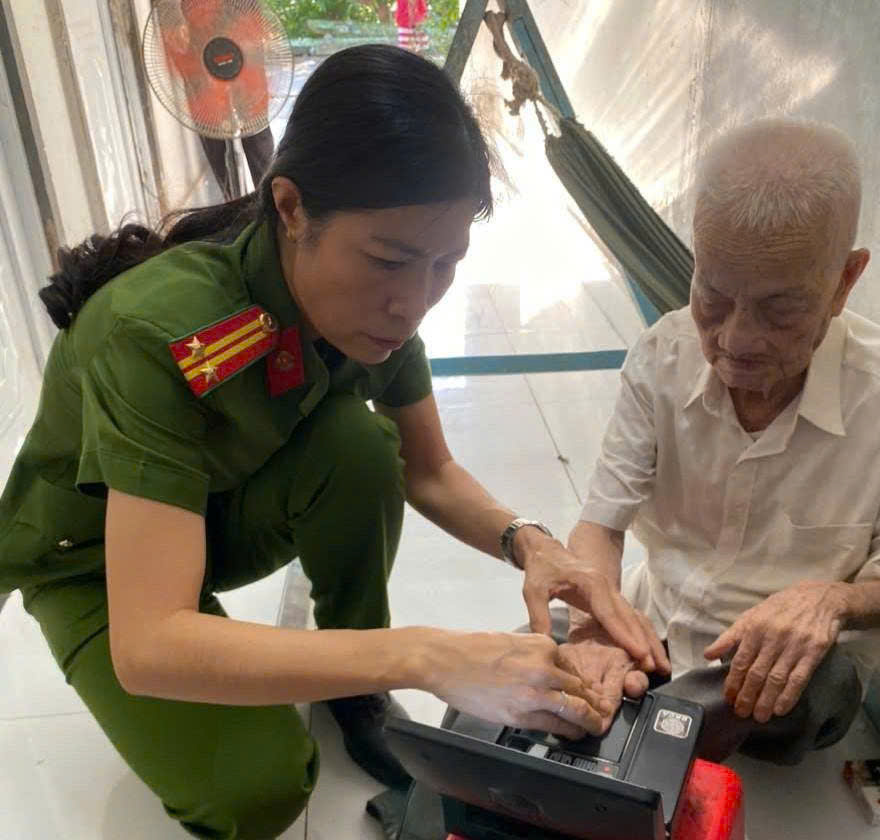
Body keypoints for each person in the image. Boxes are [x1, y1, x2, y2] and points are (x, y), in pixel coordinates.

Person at [0, 46, 664, 840]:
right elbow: (149, 644)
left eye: (445, 265)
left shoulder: (372, 310)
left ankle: (354, 691)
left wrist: (533, 545)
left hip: (209, 513)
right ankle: (362, 666)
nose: (414, 302)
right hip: (96, 565)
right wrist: (424, 655)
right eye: (389, 260)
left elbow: (431, 470)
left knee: (359, 443)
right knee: (258, 788)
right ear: (289, 207)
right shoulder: (158, 334)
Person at [561, 117, 880, 745]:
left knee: (772, 703)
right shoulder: (663, 355)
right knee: (521, 691)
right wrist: (594, 627)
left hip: (788, 665)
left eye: (781, 309)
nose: (737, 339)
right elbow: (600, 527)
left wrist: (829, 601)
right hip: (651, 617)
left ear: (845, 281)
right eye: (713, 297)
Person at [157, 0, 275, 197]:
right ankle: (232, 203)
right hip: (198, 29)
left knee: (256, 129)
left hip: (241, 23)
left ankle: (271, 203)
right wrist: (172, 20)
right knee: (214, 131)